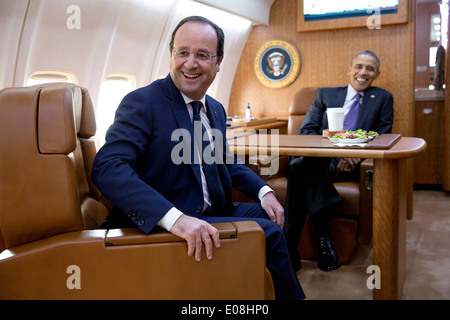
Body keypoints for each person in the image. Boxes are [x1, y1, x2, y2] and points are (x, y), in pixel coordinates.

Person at [91, 16, 305, 300]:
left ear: (218, 63)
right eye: (183, 53)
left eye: (202, 55)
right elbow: (108, 168)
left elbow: (225, 161)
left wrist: (264, 191)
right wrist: (176, 219)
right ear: (172, 55)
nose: (190, 63)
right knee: (269, 233)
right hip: (162, 224)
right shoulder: (143, 102)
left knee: (274, 213)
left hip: (212, 211)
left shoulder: (214, 109)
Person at [283, 50, 394, 272]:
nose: (363, 72)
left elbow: (383, 136)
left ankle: (287, 246)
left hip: (352, 166)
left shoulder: (382, 98)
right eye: (359, 66)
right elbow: (307, 131)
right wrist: (333, 147)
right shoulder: (326, 95)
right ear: (349, 69)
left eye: (369, 69)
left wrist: (355, 156)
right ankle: (324, 239)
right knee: (301, 165)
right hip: (322, 159)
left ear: (377, 74)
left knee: (297, 168)